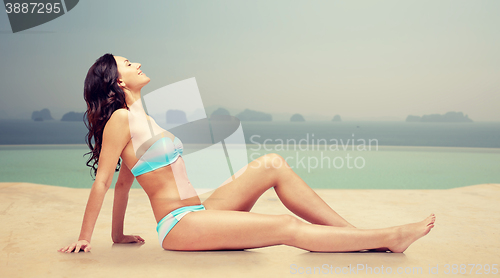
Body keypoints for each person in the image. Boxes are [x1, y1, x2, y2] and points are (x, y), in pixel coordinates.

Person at [58, 53, 435, 253]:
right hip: (179, 226)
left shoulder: (145, 119)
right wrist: (88, 236)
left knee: (272, 164)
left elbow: (126, 184)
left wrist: (120, 235)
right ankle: (390, 236)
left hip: (199, 212)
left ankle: (358, 237)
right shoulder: (121, 120)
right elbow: (106, 183)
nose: (137, 63)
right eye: (128, 63)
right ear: (119, 80)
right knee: (285, 228)